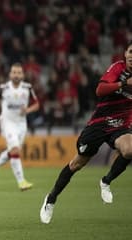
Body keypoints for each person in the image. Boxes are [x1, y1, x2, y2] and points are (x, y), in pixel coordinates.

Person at [40, 41, 132, 224]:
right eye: (130, 52)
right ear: (125, 53)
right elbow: (100, 90)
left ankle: (106, 181)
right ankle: (50, 199)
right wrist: (123, 83)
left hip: (120, 125)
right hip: (98, 124)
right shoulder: (117, 68)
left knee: (130, 150)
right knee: (76, 164)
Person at [0, 62, 39, 191]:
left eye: (19, 72)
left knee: (13, 151)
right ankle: (21, 182)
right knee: (15, 150)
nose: (16, 75)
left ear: (23, 75)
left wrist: (27, 110)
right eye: (14, 72)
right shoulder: (4, 88)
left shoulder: (28, 88)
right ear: (10, 74)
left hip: (22, 123)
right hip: (7, 122)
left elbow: (37, 104)